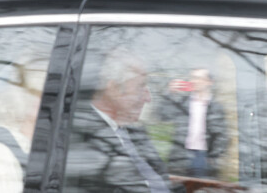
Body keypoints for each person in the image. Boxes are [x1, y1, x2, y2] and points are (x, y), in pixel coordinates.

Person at [65, 49, 185, 193]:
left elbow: (160, 179)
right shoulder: (84, 139)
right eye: (141, 87)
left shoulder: (134, 131)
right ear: (114, 89)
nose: (148, 98)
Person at [159, 69, 228, 178]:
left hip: (203, 155)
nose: (194, 81)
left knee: (199, 187)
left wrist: (214, 156)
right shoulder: (182, 101)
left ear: (210, 82)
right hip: (181, 153)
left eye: (199, 78)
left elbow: (221, 135)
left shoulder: (215, 106)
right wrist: (169, 94)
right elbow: (164, 117)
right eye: (192, 78)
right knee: (178, 187)